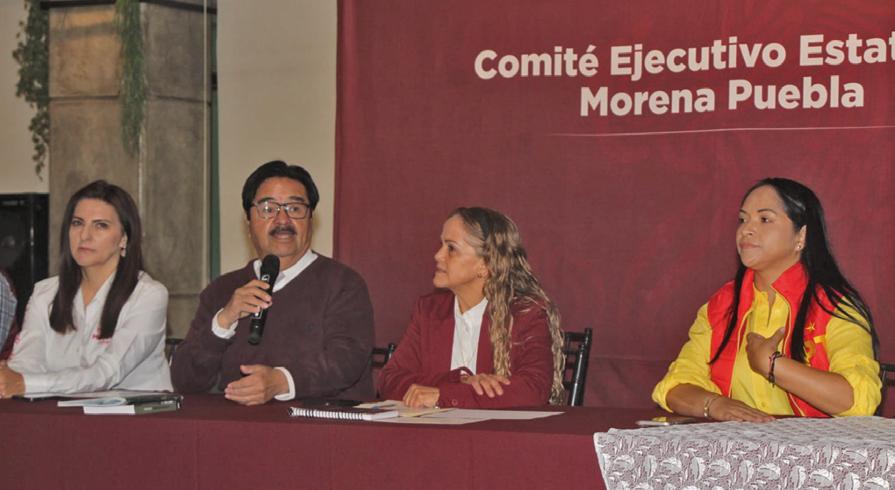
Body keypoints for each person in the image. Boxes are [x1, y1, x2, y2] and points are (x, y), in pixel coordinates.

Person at [653, 178, 880, 421]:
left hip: (814, 445)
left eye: (764, 219)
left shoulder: (834, 307)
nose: (746, 230)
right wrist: (714, 404)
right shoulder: (721, 306)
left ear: (801, 236)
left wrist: (772, 365)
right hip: (737, 443)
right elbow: (675, 386)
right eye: (743, 219)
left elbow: (859, 400)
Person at [171, 160, 374, 405]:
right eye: (268, 208)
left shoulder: (343, 284)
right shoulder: (222, 290)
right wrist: (224, 320)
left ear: (311, 219)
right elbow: (185, 381)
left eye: (295, 208)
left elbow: (346, 361)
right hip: (234, 425)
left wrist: (281, 381)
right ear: (248, 222)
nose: (282, 220)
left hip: (319, 426)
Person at [379, 207, 565, 408]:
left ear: (484, 265)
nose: (438, 255)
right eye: (442, 245)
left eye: (451, 248)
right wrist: (459, 381)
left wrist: (444, 396)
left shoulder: (526, 314)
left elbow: (533, 389)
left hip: (498, 428)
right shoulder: (429, 310)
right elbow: (389, 380)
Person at [0, 180, 171, 397]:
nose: (84, 235)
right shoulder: (45, 293)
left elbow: (106, 373)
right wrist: (9, 379)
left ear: (124, 238)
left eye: (100, 225)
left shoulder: (148, 295)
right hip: (58, 411)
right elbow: (26, 362)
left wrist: (27, 384)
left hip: (134, 414)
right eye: (77, 223)